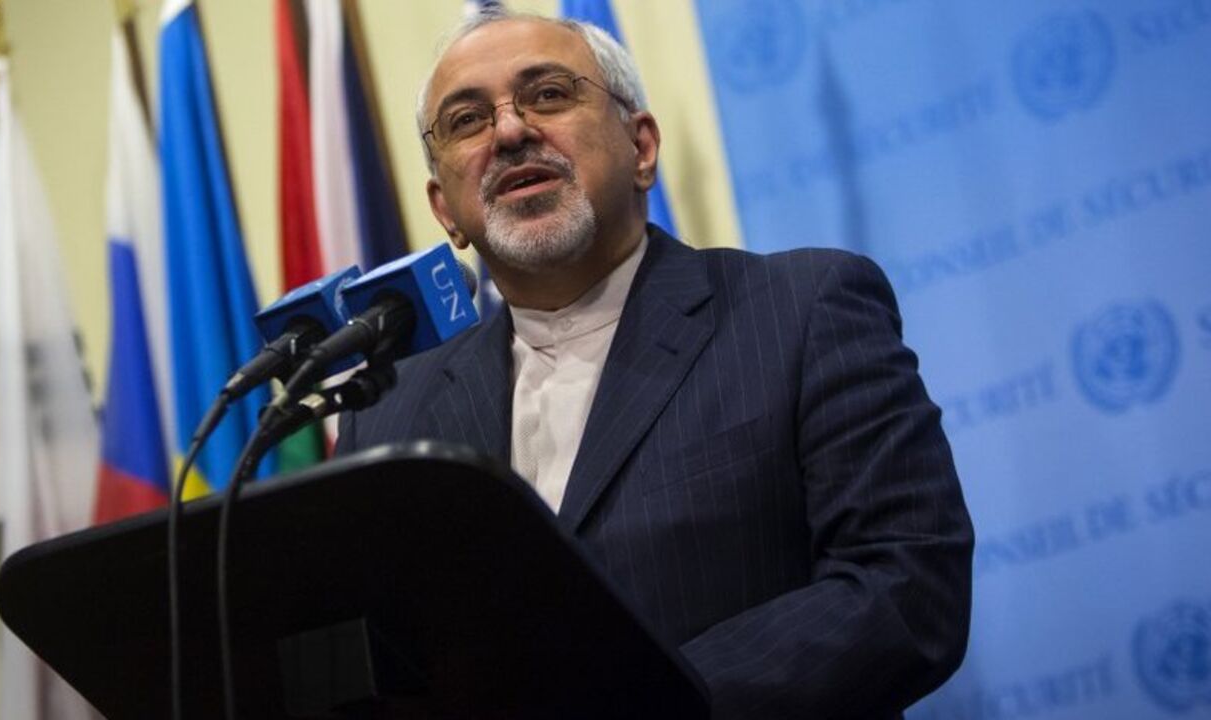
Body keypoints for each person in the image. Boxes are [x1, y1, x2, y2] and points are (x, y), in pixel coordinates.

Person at [338, 9, 973, 718]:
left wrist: (650, 701)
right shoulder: (387, 417)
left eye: (548, 94)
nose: (510, 132)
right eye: (467, 121)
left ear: (641, 148)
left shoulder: (800, 309)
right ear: (444, 211)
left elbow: (906, 583)